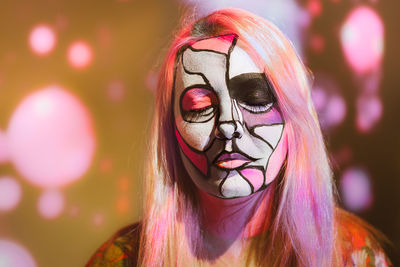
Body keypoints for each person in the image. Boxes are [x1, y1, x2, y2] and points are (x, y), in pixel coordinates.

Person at [86, 8, 391, 267]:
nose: (229, 125)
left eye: (256, 98)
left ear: (294, 121)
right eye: (200, 106)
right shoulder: (126, 259)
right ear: (171, 130)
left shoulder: (350, 255)